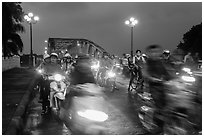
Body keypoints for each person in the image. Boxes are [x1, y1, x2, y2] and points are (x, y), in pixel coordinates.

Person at [143, 44, 173, 134]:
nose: (154, 53)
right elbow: (145, 73)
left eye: (156, 51)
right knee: (159, 105)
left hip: (163, 85)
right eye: (152, 52)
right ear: (149, 53)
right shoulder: (148, 62)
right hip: (153, 87)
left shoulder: (161, 62)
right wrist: (152, 78)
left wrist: (173, 78)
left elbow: (167, 72)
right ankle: (157, 125)